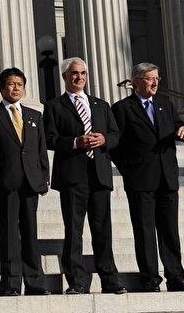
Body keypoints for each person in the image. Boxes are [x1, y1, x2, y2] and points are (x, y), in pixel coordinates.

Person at [43, 57, 126, 295]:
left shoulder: (101, 105)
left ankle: (110, 280)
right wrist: (75, 142)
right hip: (72, 176)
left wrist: (105, 139)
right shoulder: (54, 106)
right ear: (65, 77)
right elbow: (49, 138)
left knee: (103, 230)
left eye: (82, 73)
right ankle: (77, 281)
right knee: (74, 230)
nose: (79, 77)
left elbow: (116, 134)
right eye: (74, 73)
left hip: (99, 174)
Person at [111, 62, 184, 292]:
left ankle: (176, 277)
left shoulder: (164, 104)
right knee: (145, 231)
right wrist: (128, 170)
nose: (155, 82)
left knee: (170, 231)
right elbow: (114, 144)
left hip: (167, 177)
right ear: (136, 81)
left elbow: (179, 126)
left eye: (157, 78)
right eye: (150, 78)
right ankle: (150, 278)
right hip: (140, 180)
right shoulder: (122, 108)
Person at [0, 67, 50, 296]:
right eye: (11, 84)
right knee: (8, 234)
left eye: (19, 84)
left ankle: (35, 282)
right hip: (6, 181)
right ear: (2, 88)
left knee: (30, 232)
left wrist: (44, 177)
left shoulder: (34, 115)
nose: (15, 88)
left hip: (31, 182)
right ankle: (11, 283)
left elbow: (41, 149)